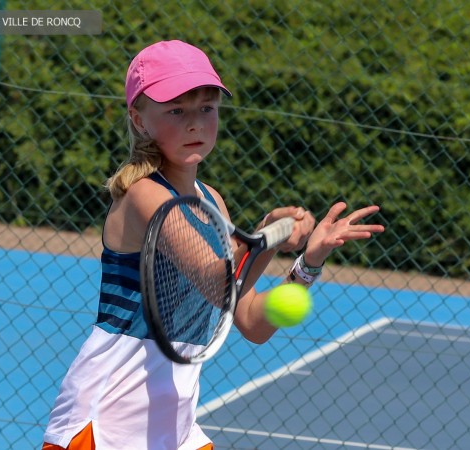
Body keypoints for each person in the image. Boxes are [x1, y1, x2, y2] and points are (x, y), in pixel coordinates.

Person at [42, 39, 384, 450]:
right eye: (176, 110)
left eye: (207, 108)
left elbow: (253, 322)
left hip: (174, 428)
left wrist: (309, 262)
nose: (195, 123)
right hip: (106, 424)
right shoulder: (144, 195)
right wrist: (270, 235)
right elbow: (216, 282)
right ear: (139, 119)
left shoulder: (212, 202)